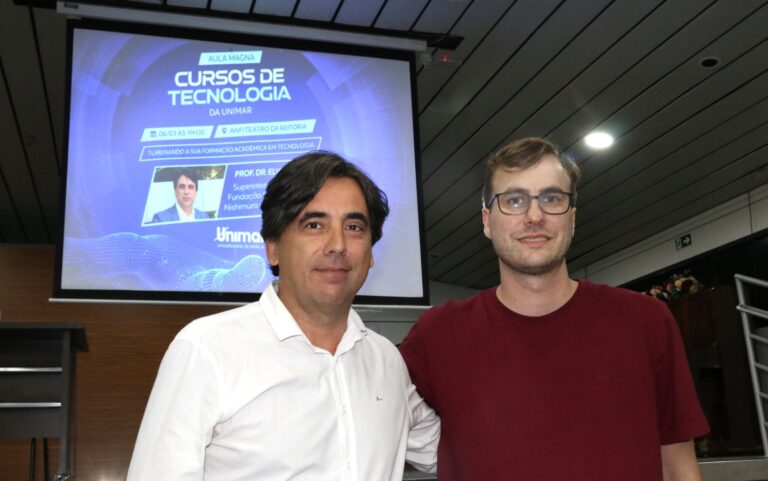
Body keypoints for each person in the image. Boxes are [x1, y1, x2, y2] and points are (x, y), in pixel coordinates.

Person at [399, 137, 709, 481]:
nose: (535, 216)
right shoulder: (439, 335)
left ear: (572, 218)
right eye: (514, 200)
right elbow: (367, 408)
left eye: (551, 198)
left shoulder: (645, 322)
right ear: (487, 220)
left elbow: (679, 468)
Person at [127, 151, 439, 481]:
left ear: (371, 253)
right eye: (314, 225)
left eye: (354, 227)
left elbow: (451, 450)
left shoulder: (386, 361)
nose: (337, 245)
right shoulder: (206, 349)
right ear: (273, 247)